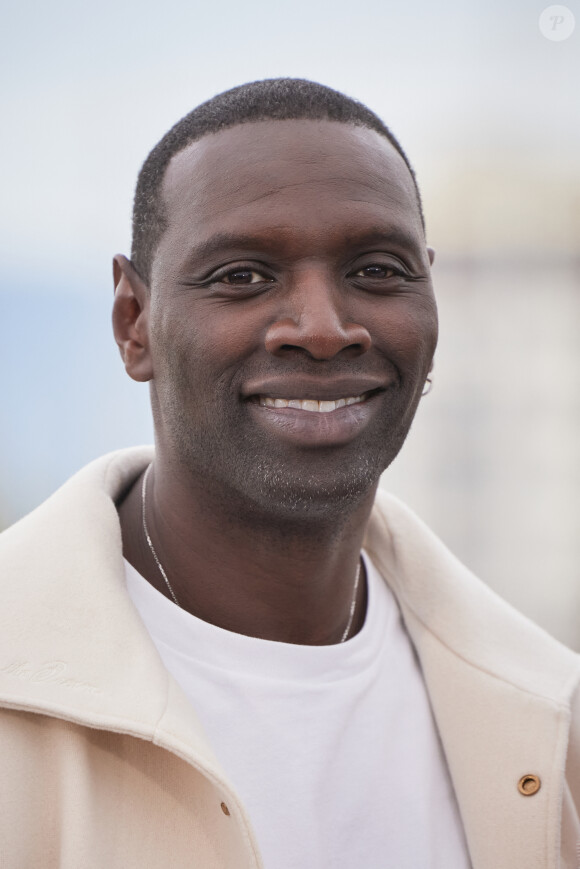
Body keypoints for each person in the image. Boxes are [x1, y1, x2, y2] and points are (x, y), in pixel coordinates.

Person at [0, 79, 578, 869]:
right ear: (133, 323)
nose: (324, 328)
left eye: (377, 270)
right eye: (242, 275)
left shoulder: (549, 715)